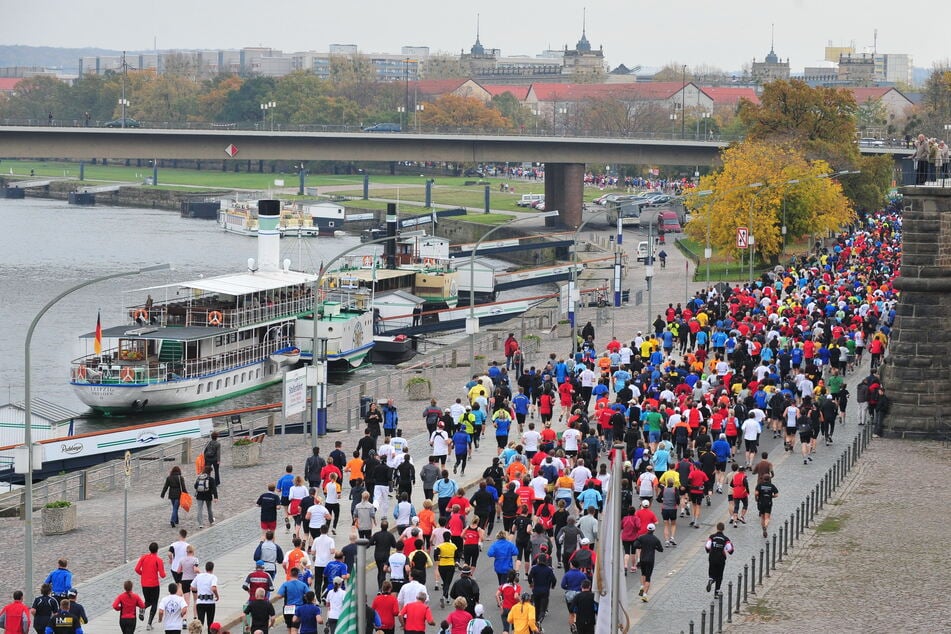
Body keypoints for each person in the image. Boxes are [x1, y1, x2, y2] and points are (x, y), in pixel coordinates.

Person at [135, 541, 167, 630]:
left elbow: (137, 569)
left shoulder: (143, 557)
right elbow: (162, 575)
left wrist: (143, 573)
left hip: (144, 584)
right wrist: (165, 573)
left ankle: (142, 608)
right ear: (157, 550)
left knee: (148, 601)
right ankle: (149, 624)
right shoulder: (159, 560)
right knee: (154, 603)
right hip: (154, 584)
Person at [631, 523, 664, 602]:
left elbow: (635, 545)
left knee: (643, 573)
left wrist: (641, 546)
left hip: (642, 558)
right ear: (654, 530)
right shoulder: (656, 539)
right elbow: (661, 549)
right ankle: (645, 595)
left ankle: (642, 586)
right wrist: (655, 547)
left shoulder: (641, 537)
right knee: (648, 577)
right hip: (650, 559)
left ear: (647, 529)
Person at [704, 522, 734, 597]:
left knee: (712, 571)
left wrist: (709, 551)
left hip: (712, 557)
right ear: (723, 529)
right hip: (721, 558)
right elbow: (730, 550)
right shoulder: (725, 539)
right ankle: (717, 592)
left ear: (717, 528)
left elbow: (707, 547)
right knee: (719, 575)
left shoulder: (712, 537)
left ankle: (711, 579)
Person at [276, 567, 309, 634]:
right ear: (297, 575)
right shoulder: (303, 585)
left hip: (288, 608)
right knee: (296, 628)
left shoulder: (285, 584)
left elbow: (279, 596)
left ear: (290, 574)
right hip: (299, 608)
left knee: (289, 627)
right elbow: (309, 595)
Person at [191, 561, 219, 629]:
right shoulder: (213, 577)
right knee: (210, 623)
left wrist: (200, 589)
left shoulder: (199, 576)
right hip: (210, 602)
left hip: (200, 602)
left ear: (205, 568)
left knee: (200, 624)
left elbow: (192, 587)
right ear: (212, 569)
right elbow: (214, 588)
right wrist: (217, 596)